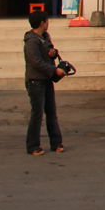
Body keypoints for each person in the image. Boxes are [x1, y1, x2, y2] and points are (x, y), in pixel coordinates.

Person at [24, 10, 65, 155]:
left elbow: (47, 53)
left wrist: (52, 53)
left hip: (46, 80)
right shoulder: (31, 41)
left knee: (51, 112)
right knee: (37, 113)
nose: (48, 24)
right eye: (47, 21)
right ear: (42, 23)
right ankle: (33, 145)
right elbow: (36, 62)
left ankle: (56, 142)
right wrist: (53, 71)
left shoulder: (45, 37)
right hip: (36, 81)